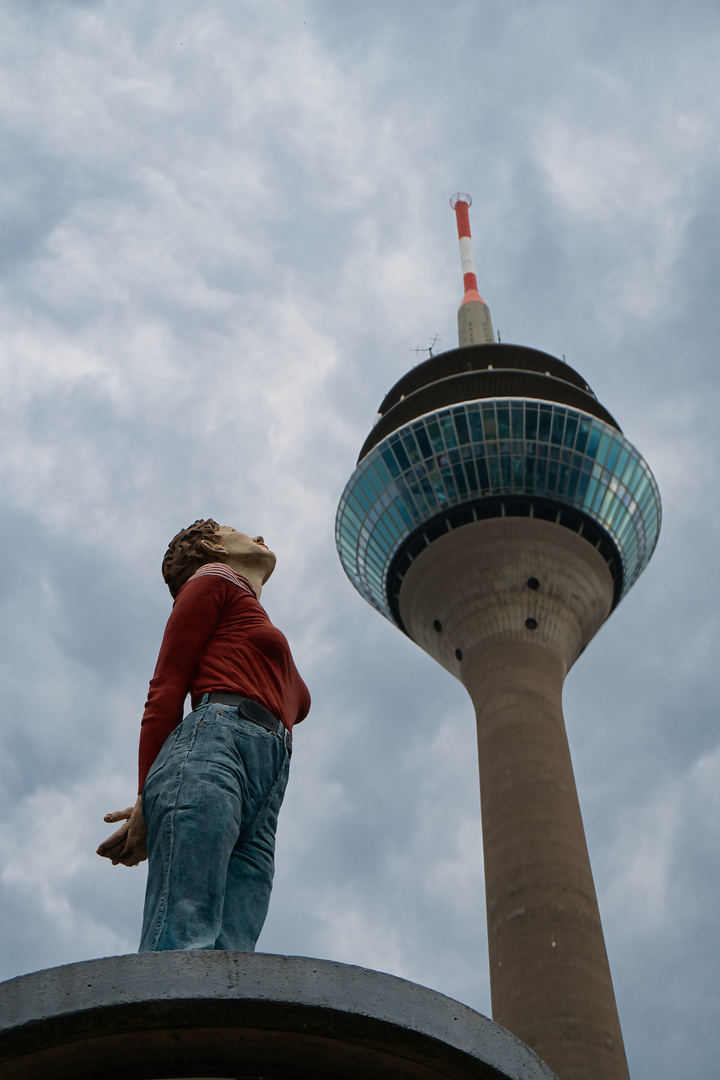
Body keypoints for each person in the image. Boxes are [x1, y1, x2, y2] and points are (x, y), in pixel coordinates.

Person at [97, 519, 310, 952]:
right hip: (217, 743)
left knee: (235, 948)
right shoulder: (211, 579)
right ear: (211, 546)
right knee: (185, 927)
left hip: (269, 771)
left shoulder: (247, 611)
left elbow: (297, 701)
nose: (261, 537)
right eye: (240, 530)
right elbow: (166, 689)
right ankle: (162, 1014)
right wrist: (145, 795)